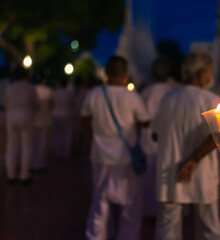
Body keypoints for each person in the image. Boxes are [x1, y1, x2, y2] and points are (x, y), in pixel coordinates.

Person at [152, 52, 220, 240]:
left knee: (168, 228)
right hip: (202, 173)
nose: (210, 77)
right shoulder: (211, 99)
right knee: (209, 228)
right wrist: (193, 160)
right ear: (201, 73)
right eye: (209, 72)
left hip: (171, 171)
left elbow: (155, 134)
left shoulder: (168, 99)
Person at [82, 55, 149, 240]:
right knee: (130, 203)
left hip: (100, 154)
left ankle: (96, 236)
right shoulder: (132, 97)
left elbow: (84, 121)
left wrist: (90, 144)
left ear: (105, 73)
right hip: (126, 157)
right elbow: (145, 122)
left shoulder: (93, 94)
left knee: (99, 201)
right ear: (125, 74)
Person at [140, 56, 179, 216]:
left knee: (149, 182)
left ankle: (151, 214)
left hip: (149, 142)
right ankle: (167, 212)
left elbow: (143, 118)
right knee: (168, 180)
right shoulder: (175, 91)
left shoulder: (147, 92)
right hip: (170, 143)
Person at [4, 66, 38, 184]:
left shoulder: (9, 88)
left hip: (11, 116)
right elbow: (36, 104)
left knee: (11, 146)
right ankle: (24, 175)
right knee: (26, 146)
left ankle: (11, 174)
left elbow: (5, 103)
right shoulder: (30, 88)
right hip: (26, 115)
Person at [32, 75, 54, 171]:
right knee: (43, 143)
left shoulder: (32, 90)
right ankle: (40, 164)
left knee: (33, 143)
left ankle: (32, 163)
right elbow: (52, 105)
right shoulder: (48, 91)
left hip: (33, 120)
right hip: (45, 119)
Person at [52, 76, 75, 160]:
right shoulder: (69, 94)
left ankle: (57, 152)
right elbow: (72, 104)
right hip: (67, 114)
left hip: (56, 114)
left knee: (57, 134)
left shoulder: (55, 93)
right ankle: (66, 153)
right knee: (67, 134)